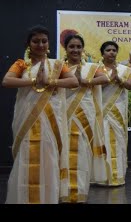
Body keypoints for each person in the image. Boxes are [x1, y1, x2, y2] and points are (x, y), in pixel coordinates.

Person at [1, 25, 78, 204]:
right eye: (36, 41)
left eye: (44, 41)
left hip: (51, 120)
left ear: (48, 43)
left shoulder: (57, 65)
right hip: (26, 117)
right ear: (29, 44)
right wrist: (34, 80)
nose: (40, 45)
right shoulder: (21, 64)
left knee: (49, 155)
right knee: (26, 154)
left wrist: (50, 81)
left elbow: (73, 81)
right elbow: (6, 81)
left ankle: (48, 198)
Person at [61, 34, 109, 203]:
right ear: (65, 49)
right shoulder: (59, 67)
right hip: (63, 114)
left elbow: (105, 78)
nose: (75, 50)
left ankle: (79, 190)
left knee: (82, 151)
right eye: (71, 47)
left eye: (78, 47)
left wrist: (85, 80)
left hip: (85, 113)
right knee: (64, 151)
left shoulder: (91, 66)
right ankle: (64, 191)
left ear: (83, 49)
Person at [98, 41, 131, 186]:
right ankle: (102, 177)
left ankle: (117, 175)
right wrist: (108, 80)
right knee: (103, 141)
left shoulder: (123, 69)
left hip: (118, 110)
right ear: (102, 53)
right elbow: (92, 86)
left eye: (114, 50)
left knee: (118, 142)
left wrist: (120, 80)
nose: (111, 52)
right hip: (102, 109)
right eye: (108, 50)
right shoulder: (96, 69)